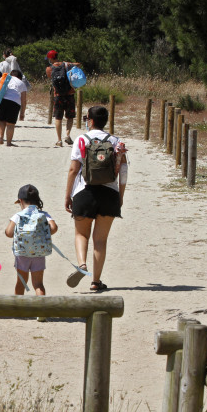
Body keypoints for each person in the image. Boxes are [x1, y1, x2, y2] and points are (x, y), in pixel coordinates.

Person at [64, 106, 128, 292]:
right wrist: (120, 197)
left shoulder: (82, 139)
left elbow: (74, 169)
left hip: (84, 193)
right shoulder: (116, 141)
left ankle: (82, 264)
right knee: (100, 240)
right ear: (105, 121)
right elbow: (123, 172)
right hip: (109, 195)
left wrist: (68, 195)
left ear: (90, 121)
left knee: (81, 234)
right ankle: (96, 281)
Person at [5, 185, 58, 299]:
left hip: (22, 254)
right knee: (38, 284)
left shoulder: (18, 216)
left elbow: (9, 233)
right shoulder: (43, 215)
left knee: (21, 282)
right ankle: (41, 312)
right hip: (39, 253)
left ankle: (18, 309)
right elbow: (54, 228)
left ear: (20, 201)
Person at [46, 50, 81, 147]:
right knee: (70, 117)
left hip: (58, 96)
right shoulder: (66, 64)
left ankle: (59, 140)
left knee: (58, 118)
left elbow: (51, 79)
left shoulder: (49, 68)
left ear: (50, 58)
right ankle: (68, 135)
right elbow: (78, 64)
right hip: (69, 94)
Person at [0, 69, 27, 147]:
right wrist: (22, 113)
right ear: (20, 77)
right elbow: (23, 100)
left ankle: (1, 137)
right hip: (14, 102)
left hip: (1, 100)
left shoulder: (5, 78)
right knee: (10, 124)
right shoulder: (22, 83)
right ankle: (8, 143)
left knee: (1, 120)